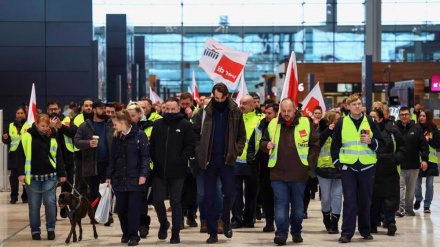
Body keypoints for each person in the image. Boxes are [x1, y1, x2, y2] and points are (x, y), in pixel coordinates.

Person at [260, 98, 320, 245]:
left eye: (289, 111)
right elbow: (262, 142)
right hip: (277, 173)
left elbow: (315, 145)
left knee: (298, 207)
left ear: (295, 110)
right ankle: (281, 234)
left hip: (299, 173)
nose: (286, 114)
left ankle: (296, 232)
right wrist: (266, 145)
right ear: (280, 110)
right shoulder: (273, 124)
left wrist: (308, 164)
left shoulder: (306, 123)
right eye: (284, 111)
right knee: (280, 205)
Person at [192, 82, 246, 244]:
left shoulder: (235, 111)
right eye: (216, 98)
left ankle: (225, 220)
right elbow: (194, 134)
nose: (219, 101)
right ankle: (212, 231)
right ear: (212, 96)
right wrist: (199, 150)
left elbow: (241, 136)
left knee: (230, 192)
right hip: (208, 160)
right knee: (209, 197)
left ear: (227, 96)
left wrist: (236, 150)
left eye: (222, 98)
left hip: (227, 159)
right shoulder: (203, 112)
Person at [330, 93, 384, 243]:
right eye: (354, 104)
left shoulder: (371, 121)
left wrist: (371, 141)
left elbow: (381, 143)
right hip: (348, 168)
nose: (357, 106)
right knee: (350, 201)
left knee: (365, 200)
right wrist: (338, 164)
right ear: (348, 106)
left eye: (359, 104)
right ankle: (347, 232)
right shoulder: (341, 123)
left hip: (367, 167)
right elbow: (335, 146)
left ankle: (365, 230)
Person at [149, 97, 195, 244]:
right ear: (163, 109)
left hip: (178, 171)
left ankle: (176, 232)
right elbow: (152, 145)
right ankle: (163, 224)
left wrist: (181, 159)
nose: (169, 111)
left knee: (175, 202)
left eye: (172, 109)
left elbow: (190, 145)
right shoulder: (157, 124)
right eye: (167, 109)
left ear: (178, 108)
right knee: (157, 200)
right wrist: (154, 159)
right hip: (159, 170)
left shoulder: (185, 125)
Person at [16, 114, 66, 240]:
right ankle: (35, 230)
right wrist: (21, 173)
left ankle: (50, 228)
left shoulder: (53, 137)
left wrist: (62, 173)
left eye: (47, 126)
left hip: (50, 176)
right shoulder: (27, 136)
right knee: (34, 205)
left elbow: (58, 156)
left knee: (50, 202)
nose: (44, 128)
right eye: (42, 126)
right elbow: (20, 155)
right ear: (36, 124)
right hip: (32, 178)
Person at [105, 110, 150, 246]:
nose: (114, 126)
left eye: (115, 124)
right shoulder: (116, 137)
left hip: (135, 178)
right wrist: (109, 176)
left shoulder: (140, 135)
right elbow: (112, 158)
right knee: (121, 208)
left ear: (123, 122)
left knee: (134, 209)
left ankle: (133, 236)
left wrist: (143, 174)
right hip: (119, 178)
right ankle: (126, 232)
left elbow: (145, 157)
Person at [74, 99, 114, 225]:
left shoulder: (111, 124)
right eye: (101, 108)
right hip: (91, 164)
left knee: (106, 191)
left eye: (105, 109)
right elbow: (76, 141)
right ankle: (96, 215)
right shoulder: (85, 125)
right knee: (94, 191)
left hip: (108, 164)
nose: (105, 111)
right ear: (95, 110)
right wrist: (88, 143)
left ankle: (106, 216)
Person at [369, 109, 405, 236]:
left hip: (389, 169)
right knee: (372, 199)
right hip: (372, 170)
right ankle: (372, 224)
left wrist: (397, 159)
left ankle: (390, 222)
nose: (371, 119)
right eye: (370, 117)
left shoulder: (392, 131)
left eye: (374, 117)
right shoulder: (366, 131)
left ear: (380, 119)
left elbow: (402, 146)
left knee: (390, 198)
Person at [231, 95, 264, 229]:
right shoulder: (234, 119)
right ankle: (237, 218)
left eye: (244, 103)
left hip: (252, 162)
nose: (241, 105)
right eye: (240, 103)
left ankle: (249, 218)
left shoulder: (259, 120)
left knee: (251, 193)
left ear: (252, 105)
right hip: (235, 160)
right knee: (235, 192)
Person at [247, 102, 279, 232]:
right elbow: (252, 142)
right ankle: (269, 221)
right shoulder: (261, 126)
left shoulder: (280, 127)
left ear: (277, 114)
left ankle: (281, 221)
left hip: (278, 166)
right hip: (264, 167)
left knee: (279, 197)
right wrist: (250, 156)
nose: (266, 115)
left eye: (269, 113)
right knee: (267, 195)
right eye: (266, 112)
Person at [395, 106, 429, 217]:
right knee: (400, 187)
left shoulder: (417, 128)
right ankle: (400, 208)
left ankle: (409, 208)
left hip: (414, 165)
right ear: (399, 116)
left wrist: (424, 160)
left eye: (406, 114)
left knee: (410, 189)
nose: (404, 116)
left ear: (410, 115)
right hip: (399, 165)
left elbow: (423, 145)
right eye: (402, 114)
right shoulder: (395, 128)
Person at [46, 99, 77, 219]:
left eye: (55, 109)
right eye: (51, 109)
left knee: (67, 188)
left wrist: (61, 127)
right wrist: (52, 128)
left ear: (59, 110)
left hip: (67, 160)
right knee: (50, 190)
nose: (53, 111)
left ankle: (64, 209)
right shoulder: (44, 122)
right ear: (47, 110)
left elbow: (74, 132)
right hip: (51, 161)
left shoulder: (67, 120)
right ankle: (51, 212)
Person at [316, 109, 342, 234]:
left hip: (339, 168)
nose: (340, 121)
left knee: (337, 196)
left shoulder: (343, 131)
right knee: (326, 198)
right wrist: (328, 131)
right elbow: (318, 143)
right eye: (338, 119)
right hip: (324, 168)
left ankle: (335, 223)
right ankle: (326, 217)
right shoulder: (321, 130)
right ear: (331, 120)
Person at [414, 109, 440, 213]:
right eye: (420, 116)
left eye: (424, 116)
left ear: (428, 117)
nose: (421, 118)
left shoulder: (434, 129)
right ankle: (418, 198)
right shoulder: (415, 128)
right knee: (416, 184)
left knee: (429, 185)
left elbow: (438, 144)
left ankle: (427, 205)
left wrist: (429, 141)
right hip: (418, 160)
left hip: (431, 160)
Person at [2, 106, 29, 204]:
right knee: (13, 176)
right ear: (15, 114)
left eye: (22, 113)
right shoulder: (11, 125)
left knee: (26, 177)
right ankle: (14, 196)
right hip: (14, 154)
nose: (20, 115)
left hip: (25, 154)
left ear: (25, 114)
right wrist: (5, 138)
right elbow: (8, 140)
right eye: (18, 113)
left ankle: (25, 196)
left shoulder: (29, 124)